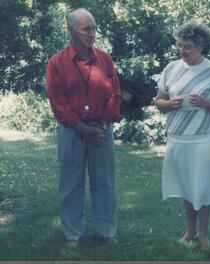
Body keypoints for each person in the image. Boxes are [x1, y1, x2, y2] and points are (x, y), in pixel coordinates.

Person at [45, 8, 121, 249]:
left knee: (105, 182)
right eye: (86, 29)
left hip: (101, 130)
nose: (92, 34)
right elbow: (58, 102)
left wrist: (101, 124)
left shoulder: (105, 59)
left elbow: (115, 93)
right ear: (71, 31)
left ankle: (106, 231)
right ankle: (72, 234)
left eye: (94, 28)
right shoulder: (56, 63)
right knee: (71, 183)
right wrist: (82, 128)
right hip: (72, 131)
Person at [154, 20, 210, 249]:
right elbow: (158, 101)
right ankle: (190, 231)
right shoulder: (171, 68)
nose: (182, 50)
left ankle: (204, 234)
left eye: (187, 46)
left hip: (205, 139)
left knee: (204, 186)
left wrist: (206, 102)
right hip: (178, 137)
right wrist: (169, 103)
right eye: (179, 45)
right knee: (187, 185)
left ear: (201, 46)